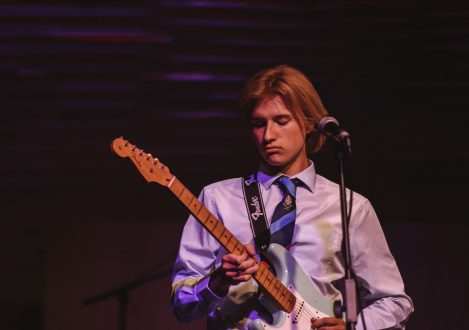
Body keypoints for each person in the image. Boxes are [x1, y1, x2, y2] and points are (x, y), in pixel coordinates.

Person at [171, 65, 413, 329]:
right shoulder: (217, 198)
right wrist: (219, 280)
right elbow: (182, 305)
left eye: (281, 121)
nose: (268, 136)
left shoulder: (349, 207)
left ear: (309, 122)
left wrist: (352, 326)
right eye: (258, 124)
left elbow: (394, 301)